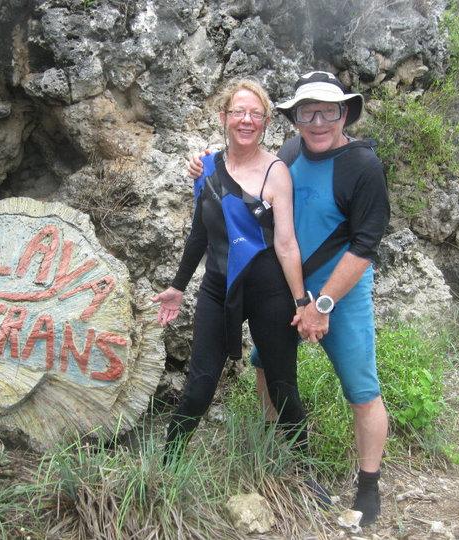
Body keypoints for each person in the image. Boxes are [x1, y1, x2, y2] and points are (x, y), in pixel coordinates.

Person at [187, 71, 390, 526]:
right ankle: (273, 440)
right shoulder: (293, 152)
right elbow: (254, 183)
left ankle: (368, 484)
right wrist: (205, 168)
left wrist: (322, 305)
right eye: (306, 112)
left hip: (341, 294)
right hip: (286, 291)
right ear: (294, 118)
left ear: (344, 113)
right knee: (265, 363)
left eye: (327, 111)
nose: (317, 121)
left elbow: (363, 248)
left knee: (361, 388)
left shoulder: (363, 167)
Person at [153, 79, 311, 463]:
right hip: (217, 288)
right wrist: (177, 286)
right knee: (199, 387)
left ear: (266, 121)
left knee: (282, 387)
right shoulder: (207, 167)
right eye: (238, 112)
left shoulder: (276, 173)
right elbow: (199, 232)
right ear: (223, 117)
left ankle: (306, 474)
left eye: (255, 114)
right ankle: (164, 471)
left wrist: (301, 301)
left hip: (268, 291)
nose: (246, 120)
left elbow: (286, 244)